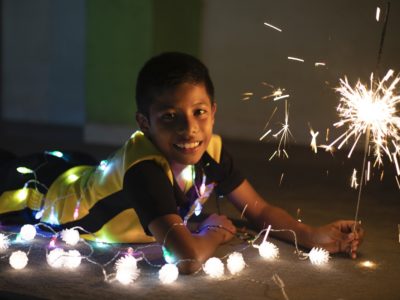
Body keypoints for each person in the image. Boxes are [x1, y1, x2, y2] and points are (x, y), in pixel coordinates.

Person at [0, 52, 363, 274]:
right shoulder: (145, 172)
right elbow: (186, 259)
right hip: (39, 194)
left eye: (199, 112)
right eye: (170, 117)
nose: (190, 129)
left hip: (83, 171)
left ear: (213, 112)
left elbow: (260, 210)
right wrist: (212, 235)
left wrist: (313, 236)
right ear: (145, 123)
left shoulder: (212, 153)